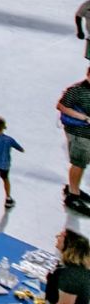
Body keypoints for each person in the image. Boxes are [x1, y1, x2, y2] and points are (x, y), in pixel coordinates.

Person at [60, 66, 90, 214]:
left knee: (81, 163)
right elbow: (61, 106)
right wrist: (84, 118)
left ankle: (74, 188)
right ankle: (73, 195)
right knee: (78, 164)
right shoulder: (76, 90)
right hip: (79, 133)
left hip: (87, 135)